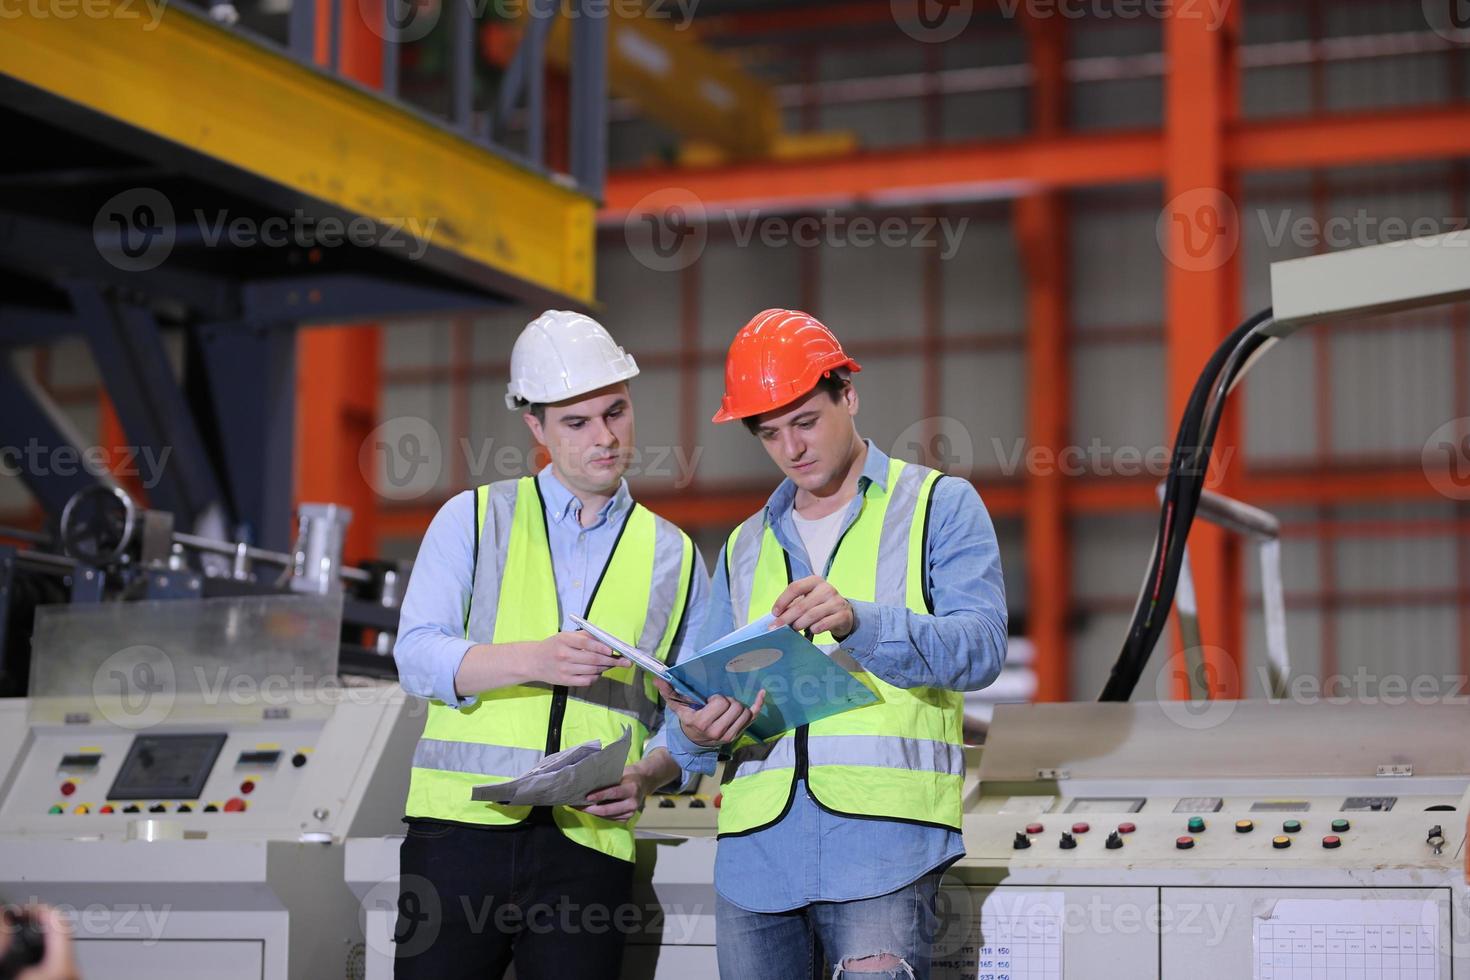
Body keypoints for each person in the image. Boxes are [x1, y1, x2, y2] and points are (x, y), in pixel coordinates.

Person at [659, 308, 1008, 980]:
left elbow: (982, 648)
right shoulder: (744, 546)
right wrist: (693, 734)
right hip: (755, 860)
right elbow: (703, 697)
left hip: (883, 847)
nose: (792, 448)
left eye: (806, 421)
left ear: (848, 394)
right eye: (770, 434)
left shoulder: (940, 505)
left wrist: (858, 622)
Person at [392, 310, 709, 980]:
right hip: (457, 838)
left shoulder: (673, 556)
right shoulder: (474, 520)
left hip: (589, 845)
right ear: (535, 427)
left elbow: (696, 712)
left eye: (615, 412)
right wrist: (534, 659)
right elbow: (416, 655)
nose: (605, 437)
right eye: (577, 421)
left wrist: (649, 776)